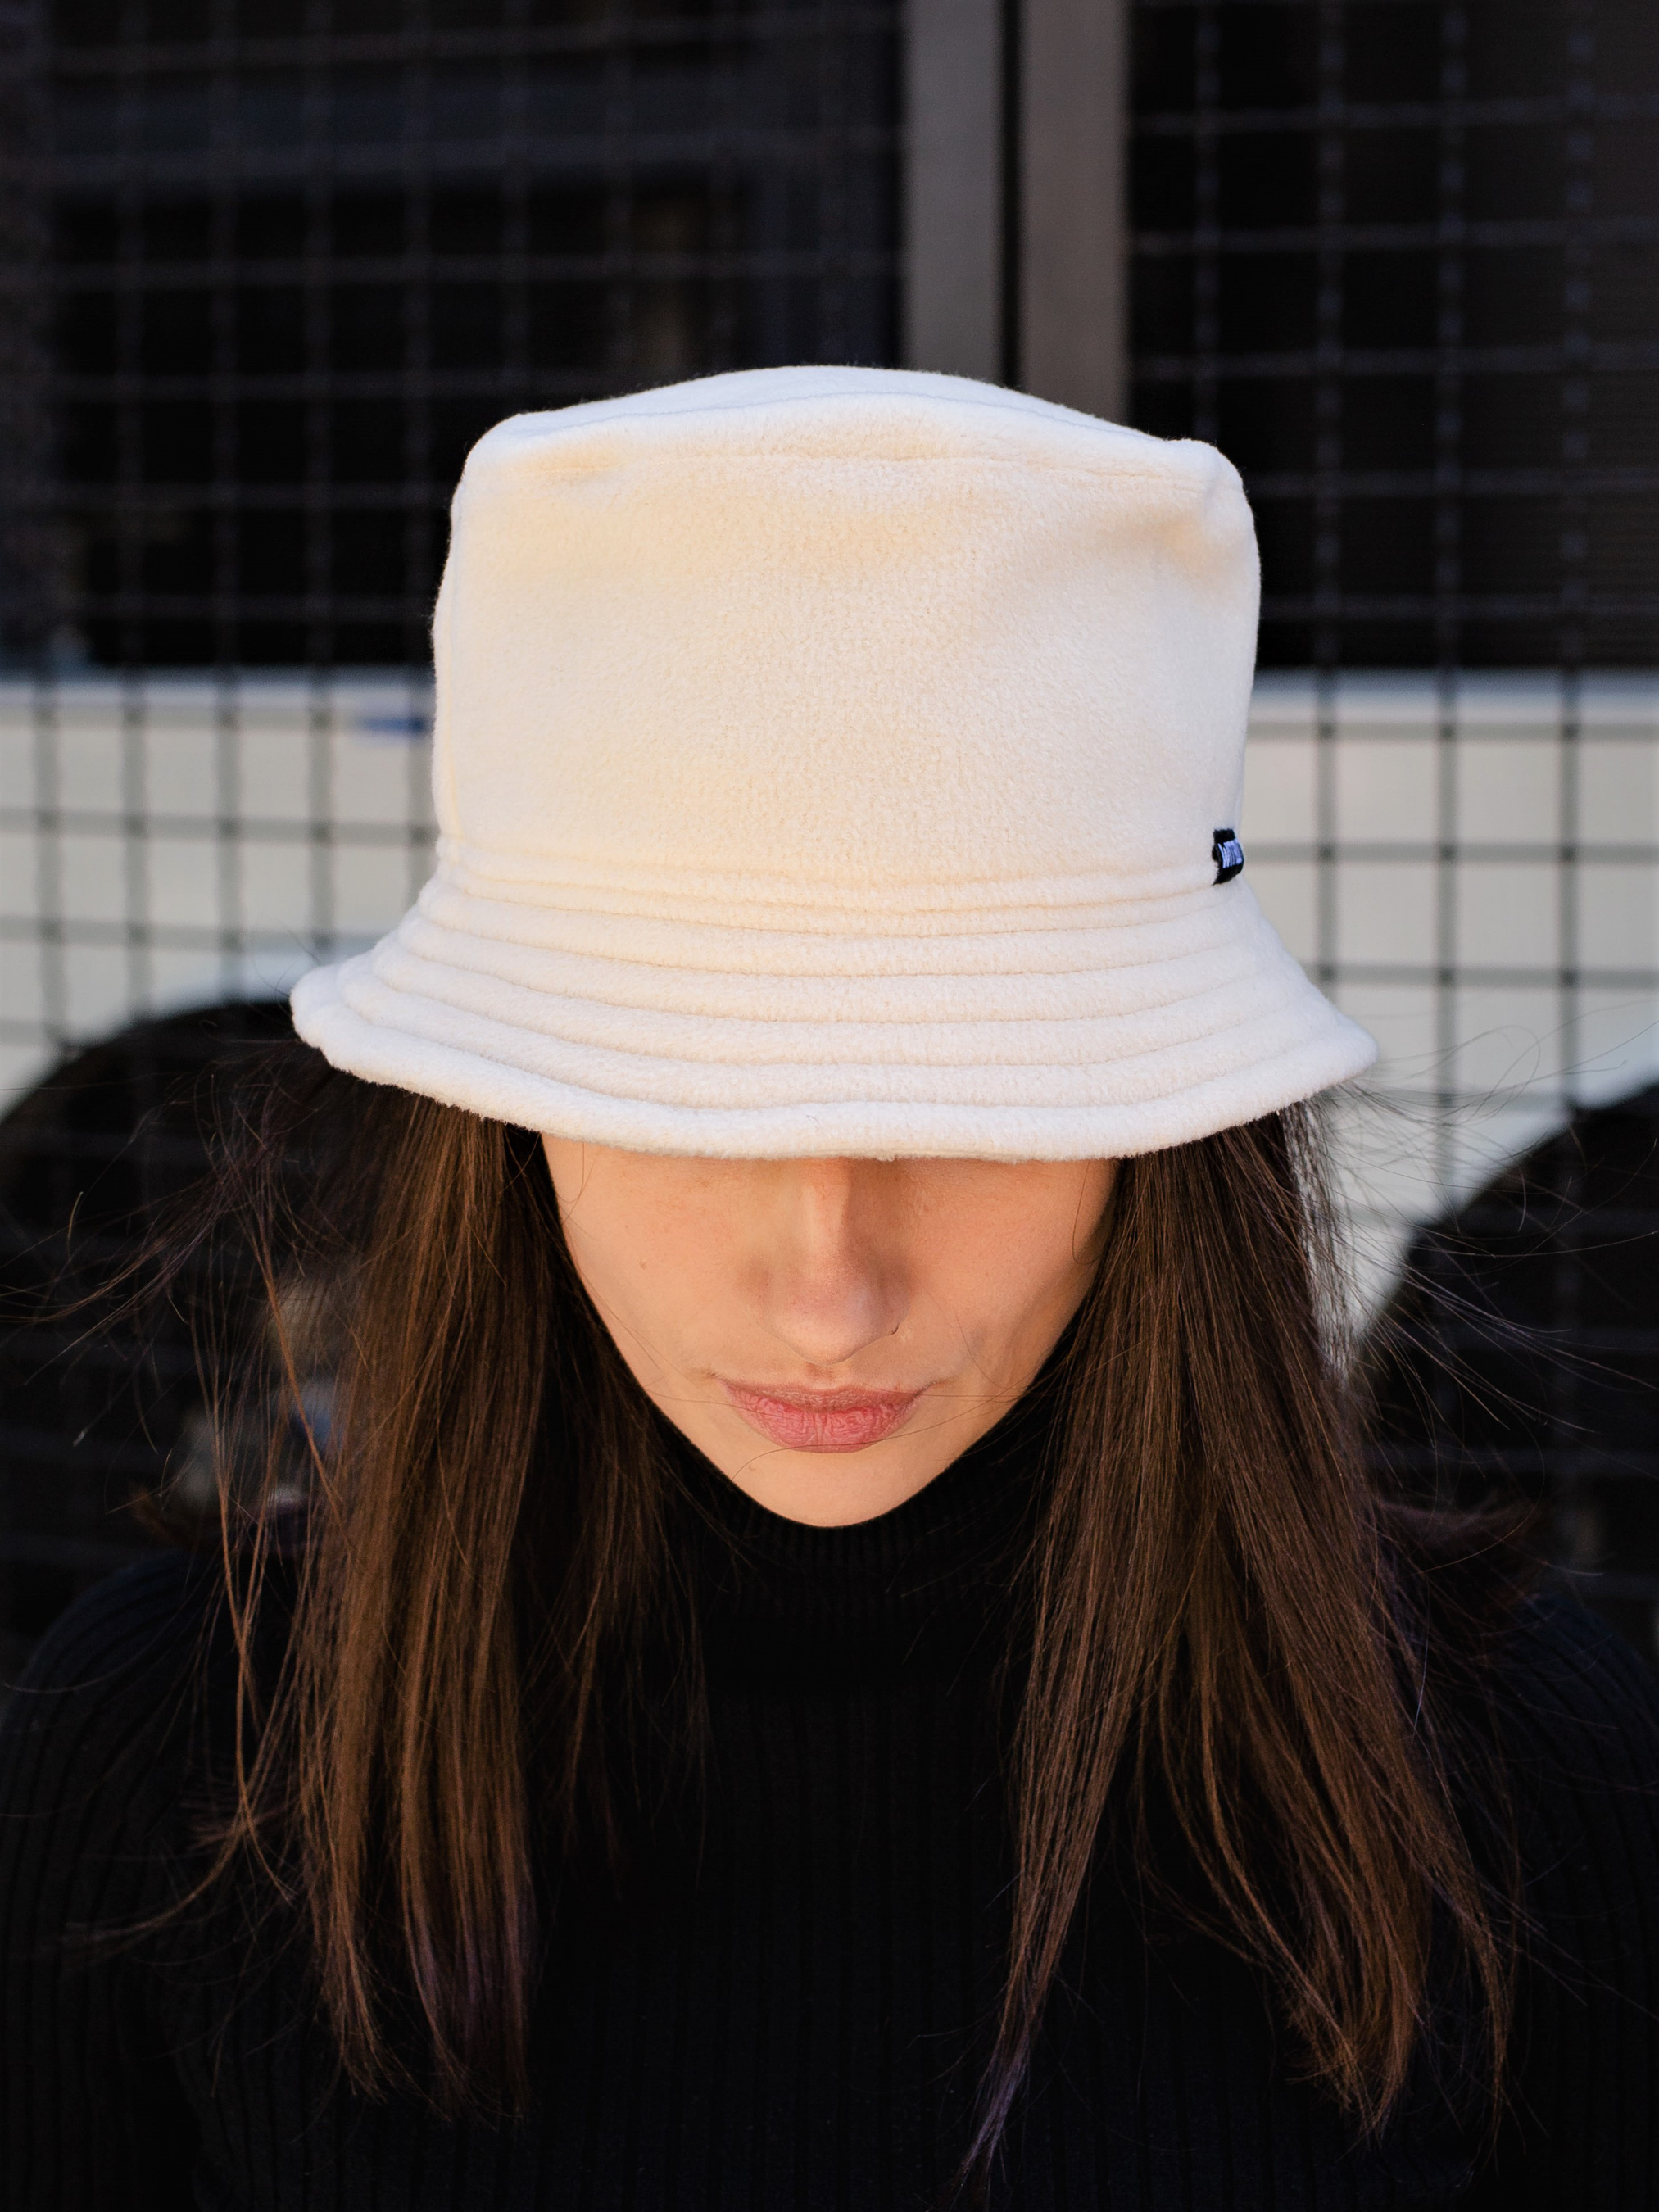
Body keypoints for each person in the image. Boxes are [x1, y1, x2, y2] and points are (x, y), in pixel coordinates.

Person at [2, 368, 1655, 2210]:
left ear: (1162, 1149)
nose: (827, 1294)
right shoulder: (169, 1770)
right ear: (508, 1123)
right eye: (682, 1107)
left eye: (978, 1113)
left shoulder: (1514, 1778)